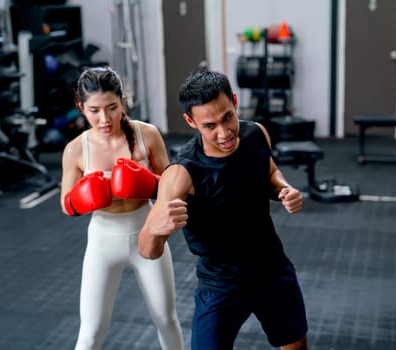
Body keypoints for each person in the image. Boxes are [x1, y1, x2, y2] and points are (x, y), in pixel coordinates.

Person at [138, 69, 309, 350]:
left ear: (234, 101)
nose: (224, 132)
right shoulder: (181, 173)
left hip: (272, 268)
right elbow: (148, 250)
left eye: (227, 117)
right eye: (209, 126)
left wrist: (283, 190)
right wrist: (155, 228)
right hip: (221, 283)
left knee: (296, 345)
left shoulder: (256, 133)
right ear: (190, 121)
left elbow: (269, 172)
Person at [60, 66, 183, 350]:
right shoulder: (76, 150)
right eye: (94, 110)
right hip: (103, 241)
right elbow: (66, 204)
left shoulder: (147, 135)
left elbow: (173, 184)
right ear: (81, 107)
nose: (104, 119)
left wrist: (149, 184)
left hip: (147, 233)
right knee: (91, 331)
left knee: (166, 319)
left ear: (123, 101)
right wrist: (85, 196)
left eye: (112, 107)